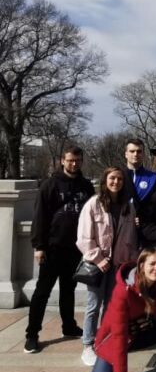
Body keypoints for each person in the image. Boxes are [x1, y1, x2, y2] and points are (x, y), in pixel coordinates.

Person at [25, 147, 95, 353]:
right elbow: (40, 217)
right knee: (42, 292)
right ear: (62, 161)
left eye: (78, 160)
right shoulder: (50, 185)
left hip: (76, 249)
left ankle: (69, 326)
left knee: (69, 290)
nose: (74, 164)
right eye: (71, 160)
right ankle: (32, 334)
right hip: (52, 247)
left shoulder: (86, 186)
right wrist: (39, 246)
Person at [77, 167, 139, 366]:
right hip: (99, 264)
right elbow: (84, 238)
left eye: (120, 179)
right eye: (112, 178)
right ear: (105, 181)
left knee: (112, 305)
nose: (116, 182)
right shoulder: (93, 204)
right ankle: (87, 344)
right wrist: (97, 258)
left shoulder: (127, 206)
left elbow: (130, 237)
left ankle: (103, 339)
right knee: (93, 305)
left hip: (118, 265)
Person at [122, 138, 156, 248]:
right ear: (126, 154)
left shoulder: (154, 178)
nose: (135, 154)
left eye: (139, 151)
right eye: (132, 151)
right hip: (121, 230)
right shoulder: (117, 176)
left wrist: (144, 218)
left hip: (145, 231)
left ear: (143, 154)